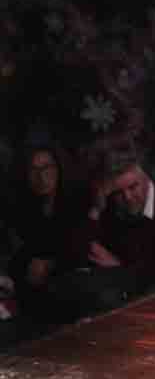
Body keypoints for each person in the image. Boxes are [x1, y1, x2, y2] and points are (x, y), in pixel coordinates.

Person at [56, 151, 155, 314]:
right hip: (135, 290)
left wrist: (119, 270)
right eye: (118, 192)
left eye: (133, 187)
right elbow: (80, 253)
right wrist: (96, 208)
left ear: (146, 179)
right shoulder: (115, 205)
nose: (127, 197)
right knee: (68, 286)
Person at [5, 140, 91, 330]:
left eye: (47, 167)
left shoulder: (77, 203)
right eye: (34, 170)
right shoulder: (23, 211)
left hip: (74, 286)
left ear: (59, 169)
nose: (42, 176)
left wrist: (49, 264)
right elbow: (20, 259)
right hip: (37, 292)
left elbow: (82, 250)